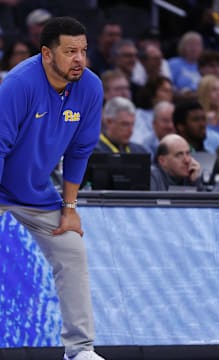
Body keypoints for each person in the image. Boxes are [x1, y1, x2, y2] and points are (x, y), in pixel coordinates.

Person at [0, 17, 104, 360]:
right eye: (70, 51)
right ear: (46, 53)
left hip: (36, 194)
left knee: (72, 250)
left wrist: (69, 209)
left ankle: (80, 349)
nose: (79, 59)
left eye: (83, 51)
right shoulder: (18, 84)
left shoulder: (90, 87)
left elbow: (80, 151)